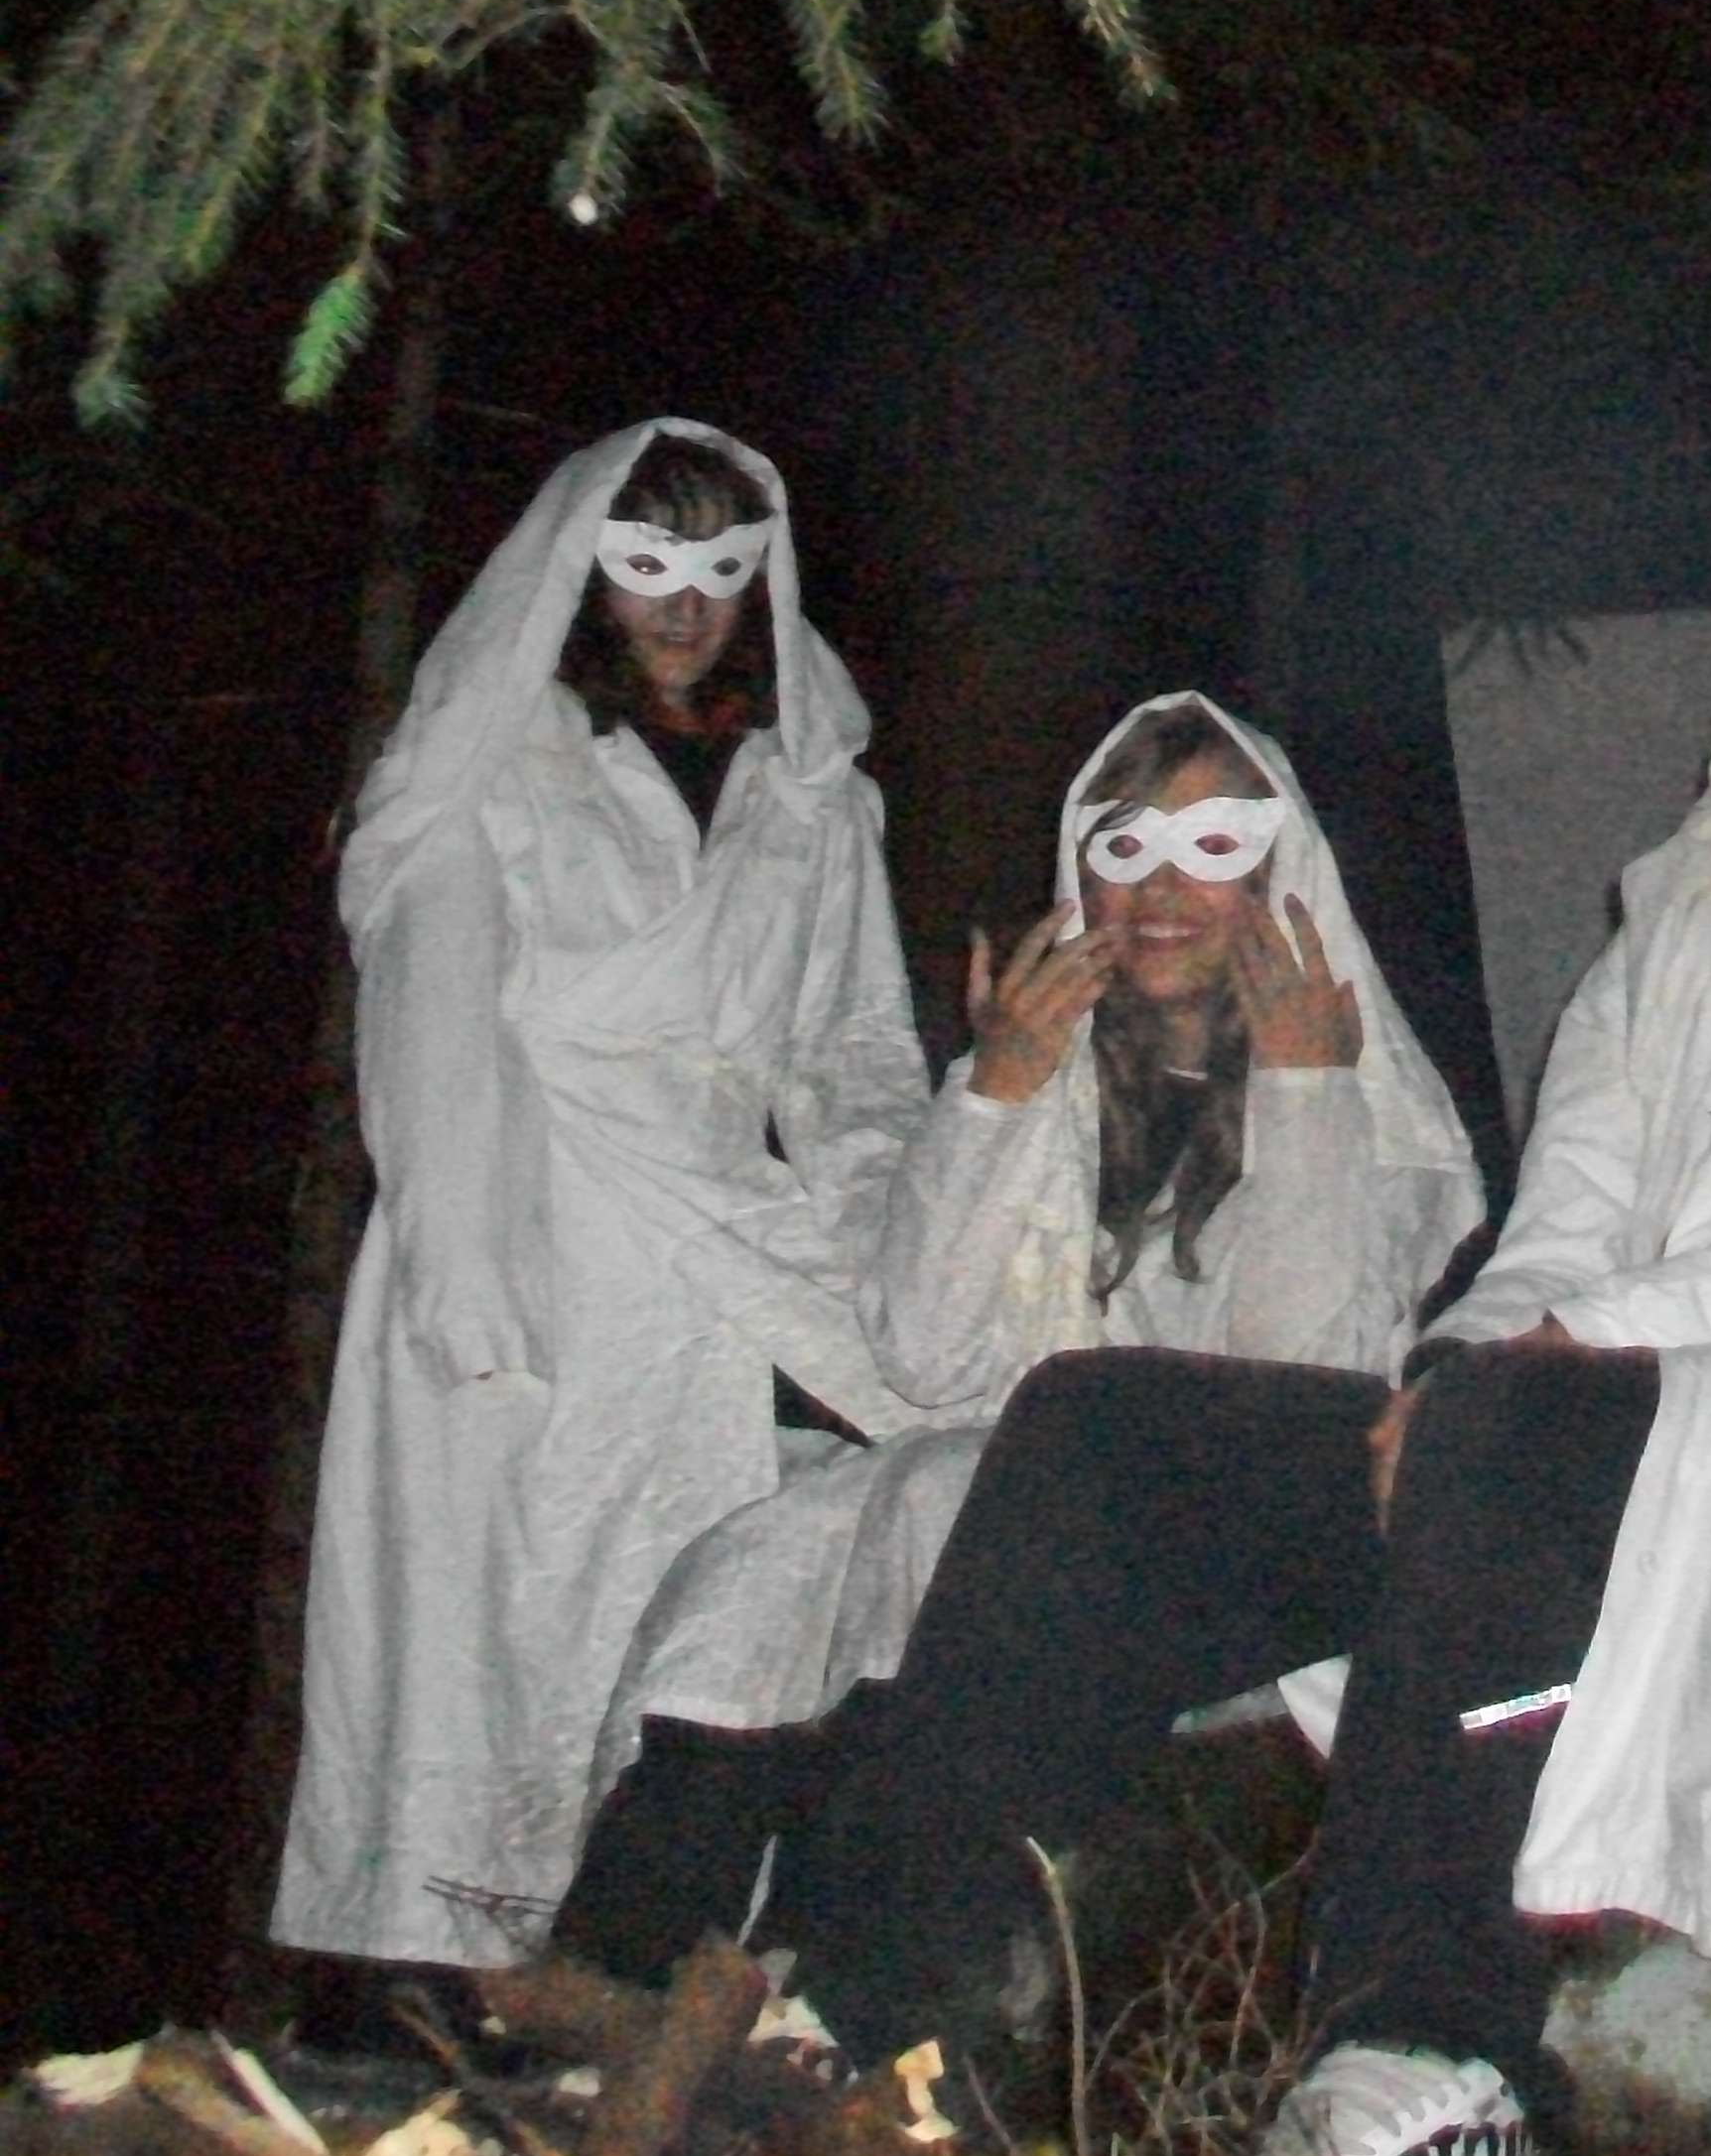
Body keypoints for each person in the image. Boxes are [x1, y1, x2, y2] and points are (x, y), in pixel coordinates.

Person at [756, 479, 1711, 2156]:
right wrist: (1474, 1358)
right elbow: (1565, 1208)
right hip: (1558, 1416)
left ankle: (1435, 2057)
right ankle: (870, 2008)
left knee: (1506, 1416)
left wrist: (1554, 1353)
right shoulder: (1682, 925)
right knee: (1102, 1429)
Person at [552, 694, 1485, 1983]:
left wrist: (1307, 1093)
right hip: (1026, 1519)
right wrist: (995, 1096)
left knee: (942, 1496)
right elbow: (927, 1355)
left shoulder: (1364, 1109)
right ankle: (624, 1967)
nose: (1164, 890)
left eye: (1213, 846)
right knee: (782, 1550)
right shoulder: (1052, 1087)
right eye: (1127, 847)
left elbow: (1294, 1382)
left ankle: (840, 1987)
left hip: (1249, 1556)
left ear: (1281, 878)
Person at [274, 422, 933, 1968]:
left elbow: (851, 1050)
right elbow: (437, 1030)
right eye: (647, 566)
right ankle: (430, 1990)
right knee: (488, 1624)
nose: (685, 606)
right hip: (529, 1222)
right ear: (581, 570)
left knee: (697, 1614)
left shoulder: (809, 790)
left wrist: (889, 1246)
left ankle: (642, 1973)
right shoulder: (498, 761)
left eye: (721, 567)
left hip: (728, 1251)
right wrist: (467, 1273)